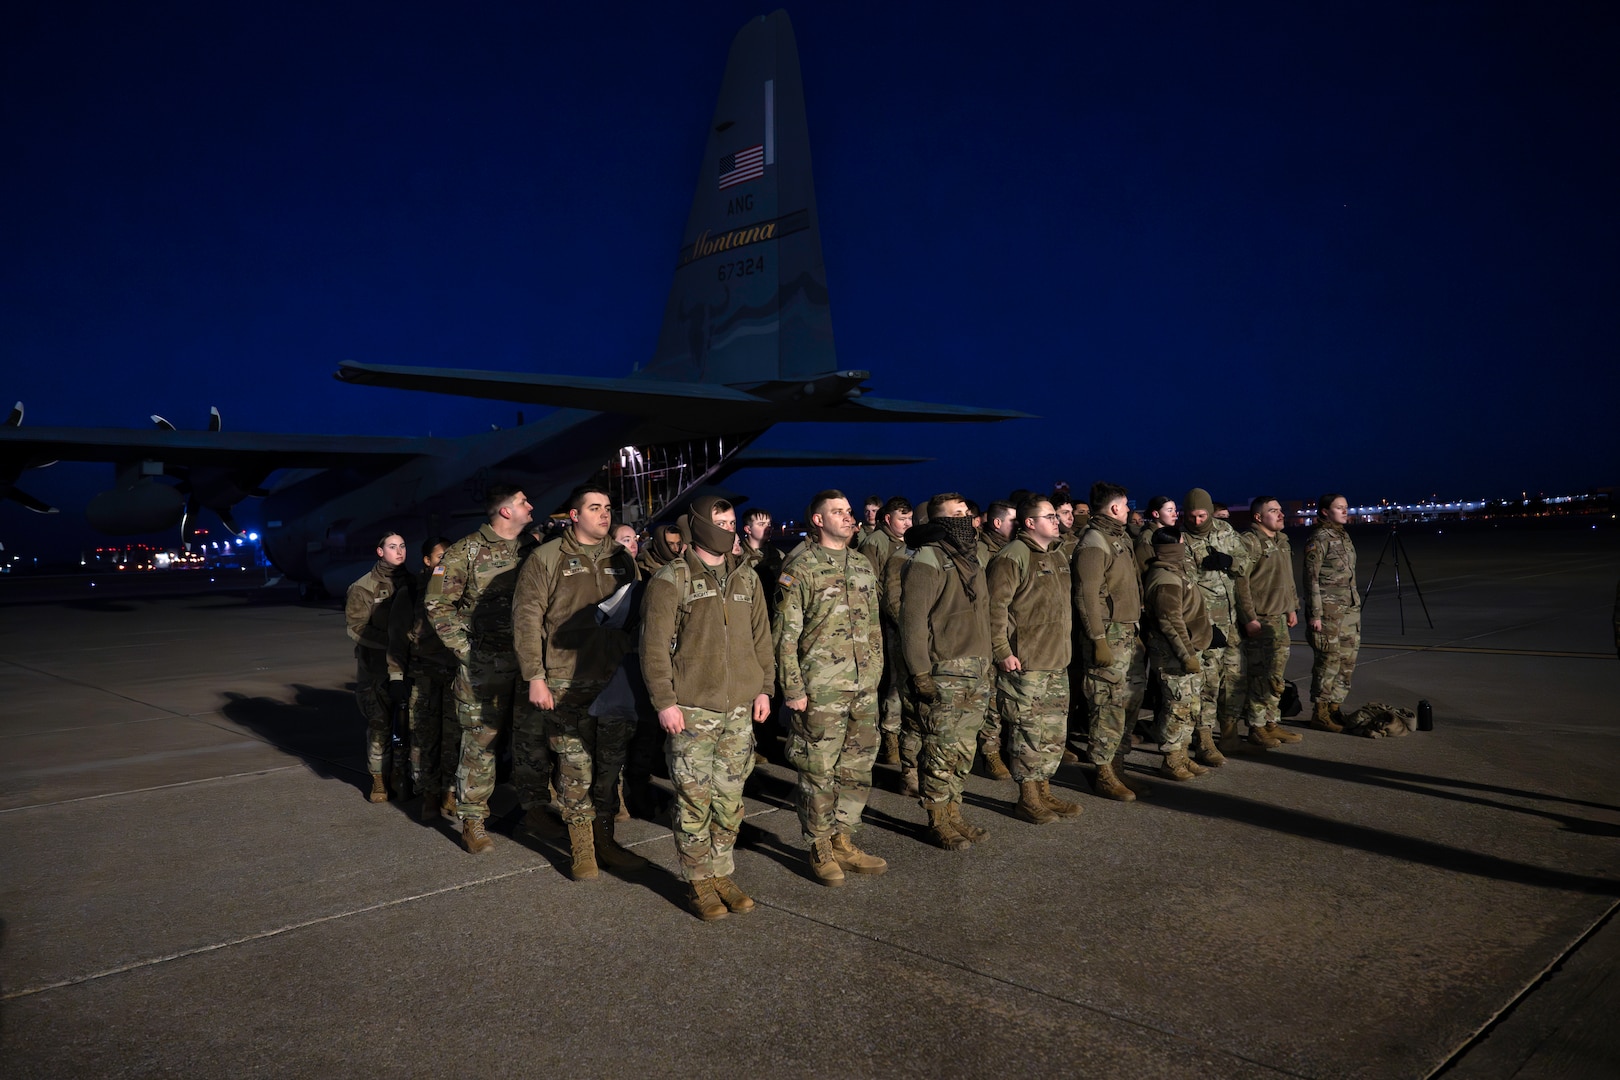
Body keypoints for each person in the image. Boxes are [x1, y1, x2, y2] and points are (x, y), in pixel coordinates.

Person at [640, 499, 774, 921]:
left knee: (731, 799)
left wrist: (765, 688)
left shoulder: (747, 577)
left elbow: (761, 639)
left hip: (738, 709)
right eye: (719, 523)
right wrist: (664, 701)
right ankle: (698, 880)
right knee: (694, 800)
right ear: (698, 526)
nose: (729, 529)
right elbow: (653, 647)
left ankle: (722, 871)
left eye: (732, 522)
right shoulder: (671, 578)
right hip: (692, 709)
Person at [512, 485, 644, 880]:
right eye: (594, 508)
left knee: (608, 768)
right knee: (574, 767)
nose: (604, 514)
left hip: (614, 677)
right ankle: (582, 848)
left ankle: (605, 840)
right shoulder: (546, 558)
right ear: (574, 515)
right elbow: (527, 620)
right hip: (565, 679)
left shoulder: (622, 559)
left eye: (607, 508)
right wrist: (535, 676)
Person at [774, 490, 887, 885]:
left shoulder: (861, 564)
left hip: (863, 686)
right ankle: (819, 845)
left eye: (849, 511)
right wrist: (793, 689)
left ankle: (843, 839)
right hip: (820, 689)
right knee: (817, 769)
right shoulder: (800, 567)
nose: (848, 517)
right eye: (837, 512)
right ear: (818, 520)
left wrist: (874, 673)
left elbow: (874, 626)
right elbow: (785, 635)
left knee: (857, 768)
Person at [425, 485, 541, 854]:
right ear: (506, 511)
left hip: (529, 663)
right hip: (483, 667)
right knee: (481, 743)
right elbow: (438, 604)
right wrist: (467, 650)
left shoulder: (533, 550)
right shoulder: (466, 551)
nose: (531, 506)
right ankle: (472, 819)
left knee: (530, 740)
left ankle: (536, 810)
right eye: (524, 502)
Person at [900, 492, 994, 850]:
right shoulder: (928, 558)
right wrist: (920, 673)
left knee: (964, 750)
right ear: (940, 522)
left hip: (976, 668)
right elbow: (912, 622)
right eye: (956, 514)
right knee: (940, 749)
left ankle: (955, 811)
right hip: (945, 670)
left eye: (966, 512)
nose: (966, 518)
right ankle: (938, 817)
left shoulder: (972, 559)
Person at [987, 497, 1082, 824]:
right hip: (1026, 661)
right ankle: (1027, 797)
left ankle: (1043, 789)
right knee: (1028, 731)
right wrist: (1002, 651)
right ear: (1030, 523)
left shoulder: (1057, 555)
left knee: (1053, 733)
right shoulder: (1012, 557)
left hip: (1057, 658)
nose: (1057, 521)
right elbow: (995, 608)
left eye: (1056, 516)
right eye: (1049, 517)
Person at [1073, 482, 1150, 801]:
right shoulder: (1094, 541)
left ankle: (1118, 765)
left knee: (1130, 700)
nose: (1131, 510)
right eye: (1126, 505)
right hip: (1108, 634)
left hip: (1128, 632)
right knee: (1107, 705)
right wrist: (1097, 638)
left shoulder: (1119, 539)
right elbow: (1085, 594)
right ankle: (1103, 773)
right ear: (1115, 508)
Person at [390, 535, 459, 821]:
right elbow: (397, 637)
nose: (445, 562)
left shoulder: (459, 588)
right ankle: (429, 795)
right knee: (425, 738)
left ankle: (450, 792)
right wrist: (396, 675)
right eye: (440, 557)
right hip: (424, 674)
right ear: (427, 561)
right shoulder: (412, 591)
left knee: (454, 738)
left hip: (454, 674)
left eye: (449, 556)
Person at [1180, 488, 1250, 764]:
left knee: (1233, 678)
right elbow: (1184, 588)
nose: (1197, 521)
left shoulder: (1225, 531)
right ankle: (1205, 739)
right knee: (1207, 683)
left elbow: (1245, 563)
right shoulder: (1181, 539)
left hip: (1231, 621)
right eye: (1191, 516)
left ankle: (1230, 733)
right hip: (1205, 625)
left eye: (1201, 515)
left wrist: (1230, 561)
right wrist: (1204, 625)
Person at [1141, 527, 1215, 781]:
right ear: (1176, 545)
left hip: (1187, 649)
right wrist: (1186, 655)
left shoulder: (1175, 571)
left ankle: (1182, 754)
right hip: (1174, 655)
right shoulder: (1165, 577)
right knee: (1176, 708)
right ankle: (1171, 759)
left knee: (1189, 706)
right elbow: (1170, 621)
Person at [345, 532, 411, 803]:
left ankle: (401, 775)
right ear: (380, 551)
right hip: (375, 670)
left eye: (403, 546)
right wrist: (394, 641)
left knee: (410, 727)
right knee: (379, 725)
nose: (399, 551)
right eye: (392, 547)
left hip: (409, 667)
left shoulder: (414, 582)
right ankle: (378, 780)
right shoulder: (362, 587)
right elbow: (356, 628)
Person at [1237, 496, 1303, 748]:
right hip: (1261, 620)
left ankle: (1271, 722)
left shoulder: (1282, 541)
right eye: (1273, 511)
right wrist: (1249, 618)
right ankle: (1256, 726)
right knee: (1260, 676)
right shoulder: (1250, 542)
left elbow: (1287, 578)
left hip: (1279, 617)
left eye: (1280, 509)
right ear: (1258, 517)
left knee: (1276, 677)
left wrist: (1292, 607)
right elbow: (1240, 583)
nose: (1280, 514)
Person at [858, 496, 914, 767]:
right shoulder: (875, 542)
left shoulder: (905, 542)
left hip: (903, 619)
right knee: (891, 681)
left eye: (910, 518)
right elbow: (871, 584)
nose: (907, 523)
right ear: (888, 519)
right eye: (902, 519)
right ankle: (889, 738)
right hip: (884, 621)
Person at [1304, 493, 1360, 733]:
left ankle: (1336, 707)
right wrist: (1315, 614)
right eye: (1339, 508)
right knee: (1328, 660)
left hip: (1348, 608)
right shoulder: (1319, 538)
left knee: (1347, 659)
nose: (1345, 511)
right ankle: (1321, 712)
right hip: (1327, 611)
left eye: (1346, 507)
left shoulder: (1343, 536)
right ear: (1325, 511)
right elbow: (1311, 578)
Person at [973, 499, 1018, 780]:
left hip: (1012, 631)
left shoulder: (1014, 550)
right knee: (991, 697)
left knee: (1010, 696)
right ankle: (990, 751)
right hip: (990, 631)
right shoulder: (981, 551)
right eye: (1013, 520)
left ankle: (1010, 747)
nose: (1018, 524)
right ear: (997, 523)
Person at [1134, 496, 1178, 570]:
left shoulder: (1171, 535)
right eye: (1170, 510)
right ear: (1156, 514)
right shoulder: (1146, 538)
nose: (1175, 515)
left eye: (1175, 510)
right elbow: (1142, 568)